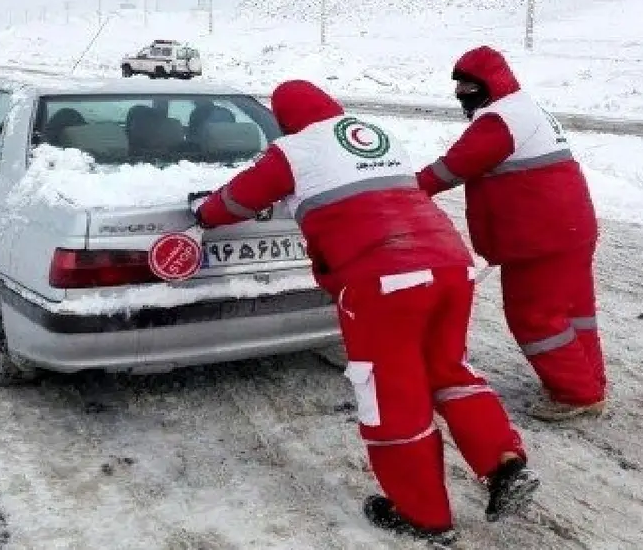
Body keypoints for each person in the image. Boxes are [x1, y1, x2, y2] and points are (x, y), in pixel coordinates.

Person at [190, 79, 540, 545]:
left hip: (384, 280)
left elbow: (238, 199)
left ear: (285, 120)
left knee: (391, 392)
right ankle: (504, 464)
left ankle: (422, 515)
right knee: (449, 369)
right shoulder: (375, 134)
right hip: (450, 265)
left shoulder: (293, 150)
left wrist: (203, 213)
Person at [415, 46, 607, 422]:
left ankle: (575, 394)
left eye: (469, 86)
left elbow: (453, 168)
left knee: (535, 315)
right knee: (574, 311)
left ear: (490, 83)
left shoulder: (500, 120)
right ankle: (590, 383)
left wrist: (400, 191)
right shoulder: (525, 109)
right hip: (570, 228)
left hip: (540, 239)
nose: (461, 94)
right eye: (458, 86)